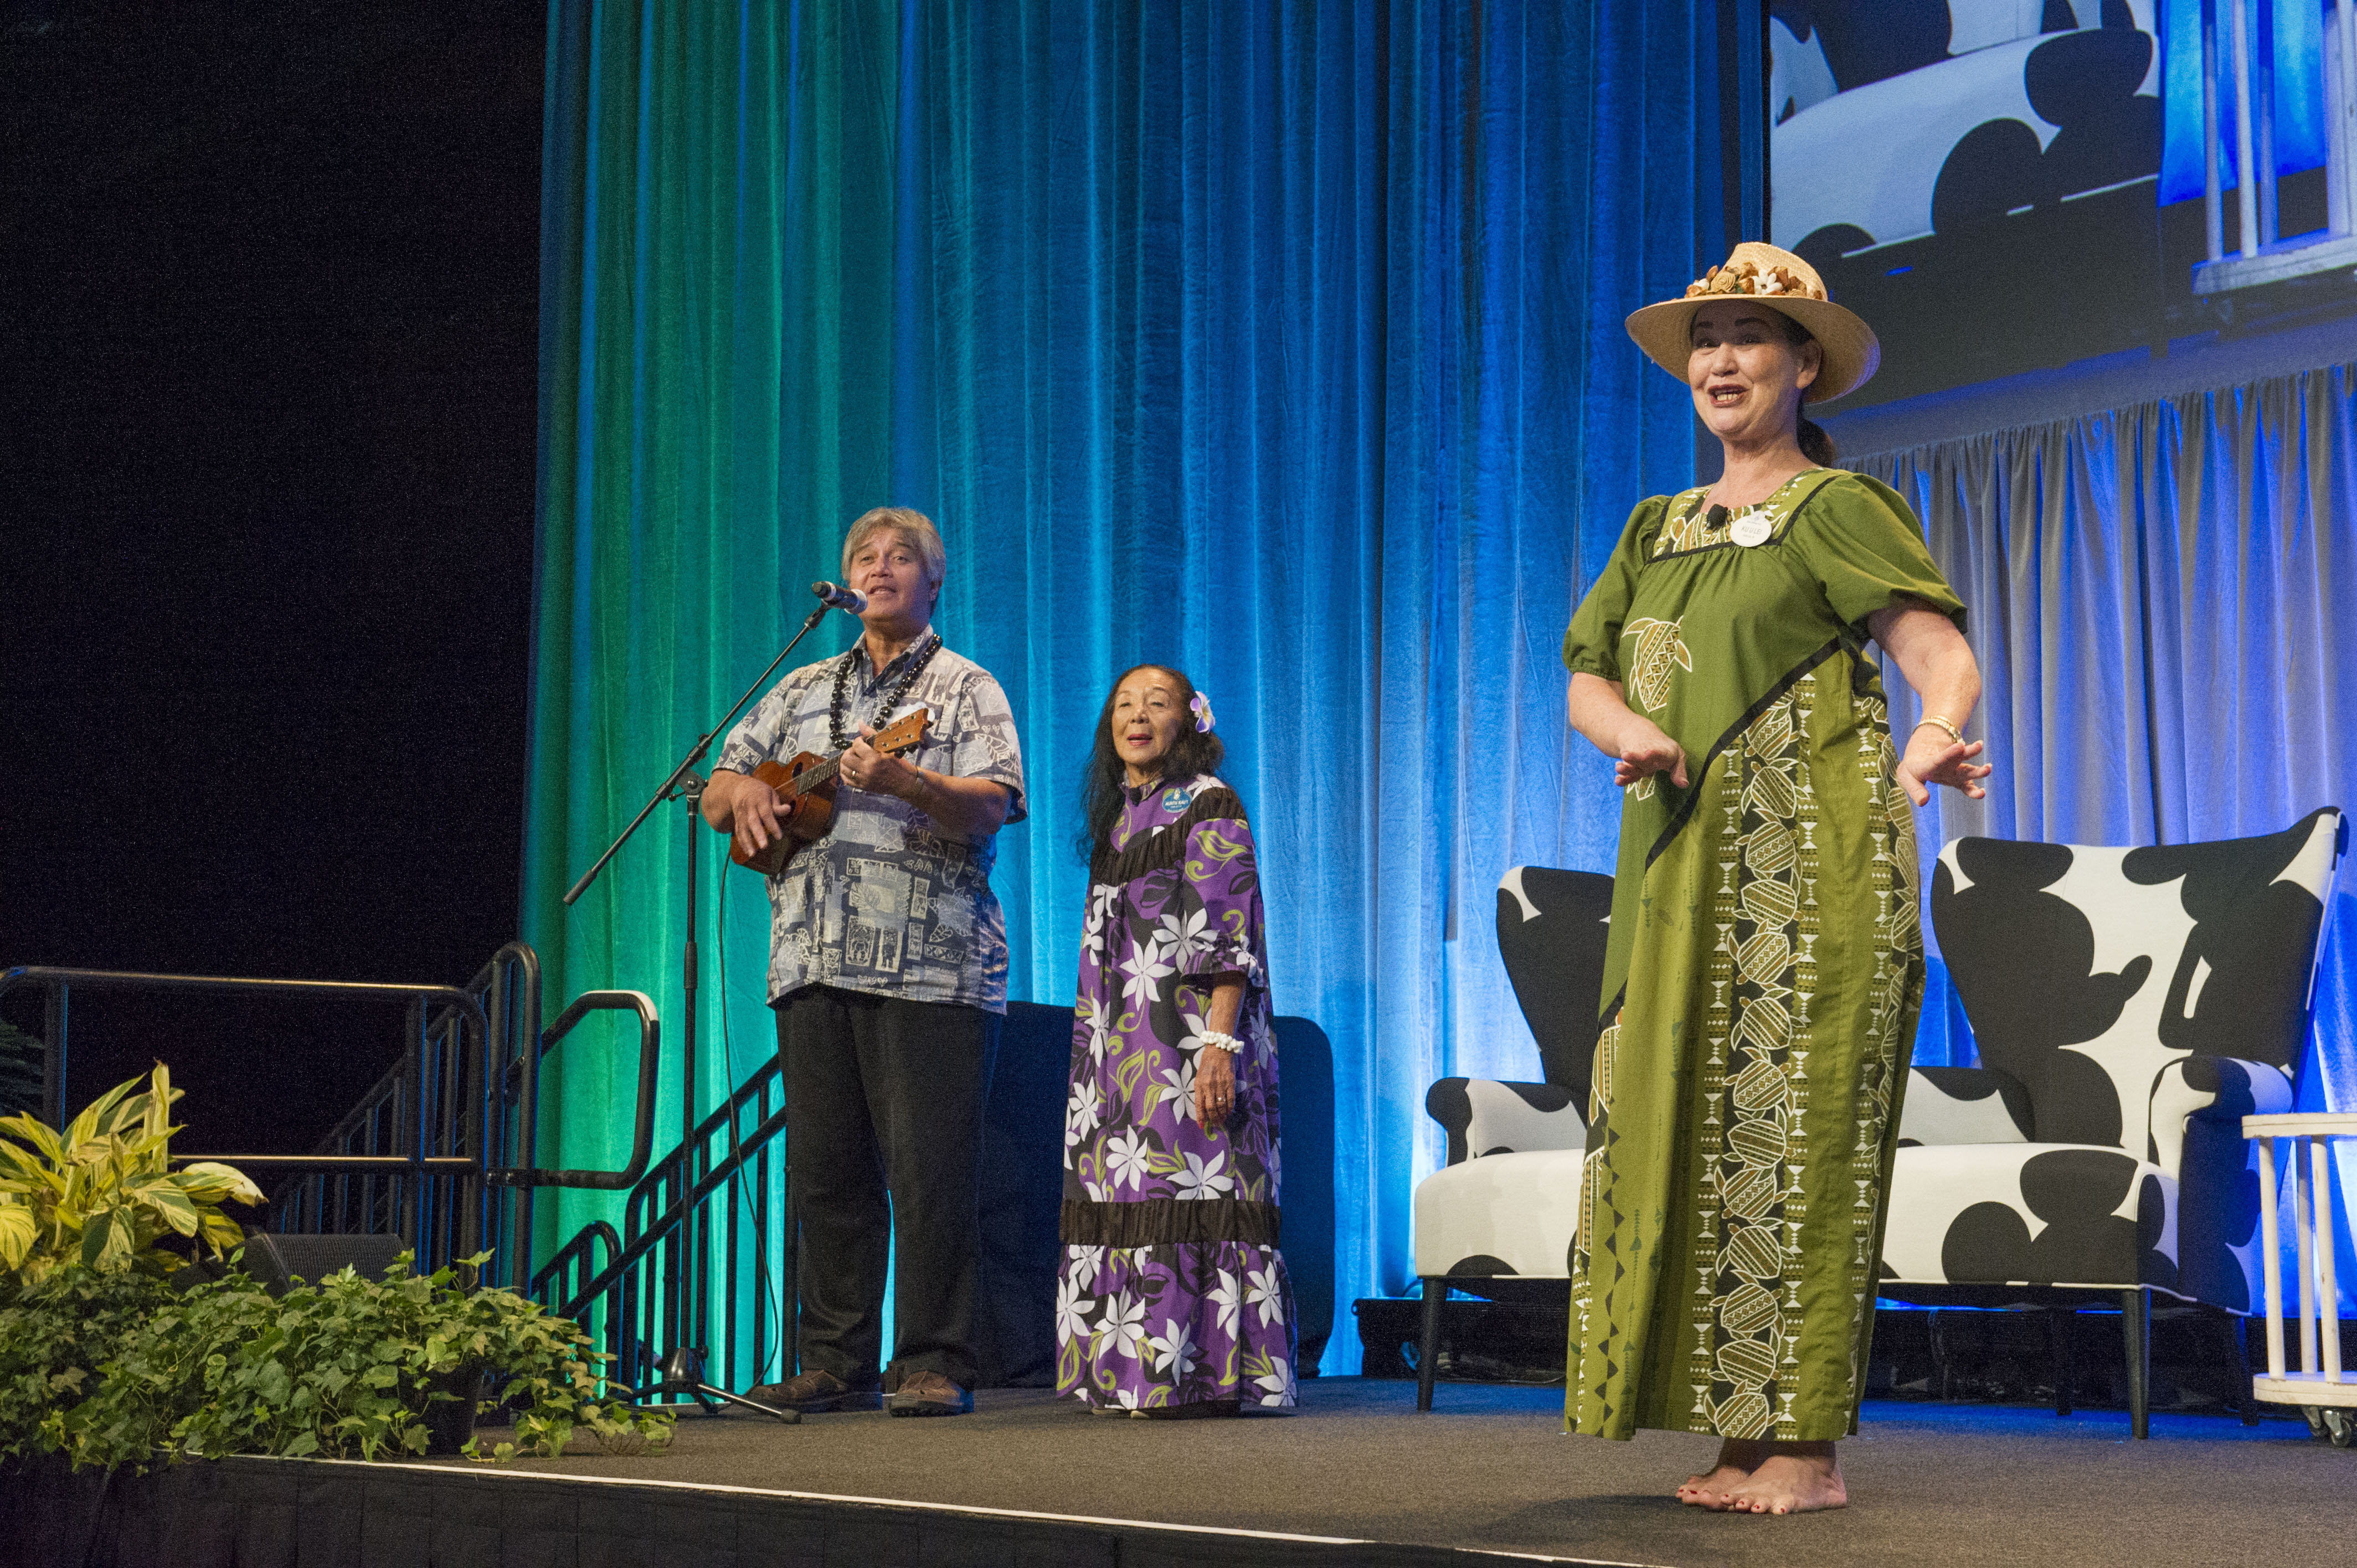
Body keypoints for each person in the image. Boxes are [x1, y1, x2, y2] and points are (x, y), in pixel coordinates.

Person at [1560, 243, 1991, 1512]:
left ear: (1805, 366)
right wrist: (1623, 730)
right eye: (1707, 339)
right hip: (1682, 862)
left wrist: (1926, 745)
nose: (1723, 359)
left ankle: (1803, 1444)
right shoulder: (1657, 527)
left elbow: (1940, 657)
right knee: (1692, 1132)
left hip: (1810, 860)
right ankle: (1735, 1427)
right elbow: (1587, 670)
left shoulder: (1834, 508)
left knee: (1794, 1136)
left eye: (1751, 337)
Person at [701, 506, 1026, 1417]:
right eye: (864, 559)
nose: (880, 570)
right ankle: (833, 1358)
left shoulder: (966, 689)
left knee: (930, 1172)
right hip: (810, 958)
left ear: (934, 582)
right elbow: (720, 785)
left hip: (933, 968)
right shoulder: (801, 685)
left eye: (900, 558)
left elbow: (994, 805)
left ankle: (931, 1359)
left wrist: (905, 779)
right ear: (846, 585)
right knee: (827, 1171)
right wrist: (746, 802)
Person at [1056, 665, 1297, 1417]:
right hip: (1118, 1045)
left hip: (1186, 1040)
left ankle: (1207, 1373)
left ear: (1188, 721)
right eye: (1124, 705)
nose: (1137, 716)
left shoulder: (1208, 803)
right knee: (1128, 1189)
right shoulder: (1119, 821)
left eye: (1156, 704)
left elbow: (1231, 934)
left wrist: (1217, 1046)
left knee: (1191, 1183)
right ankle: (1134, 1372)